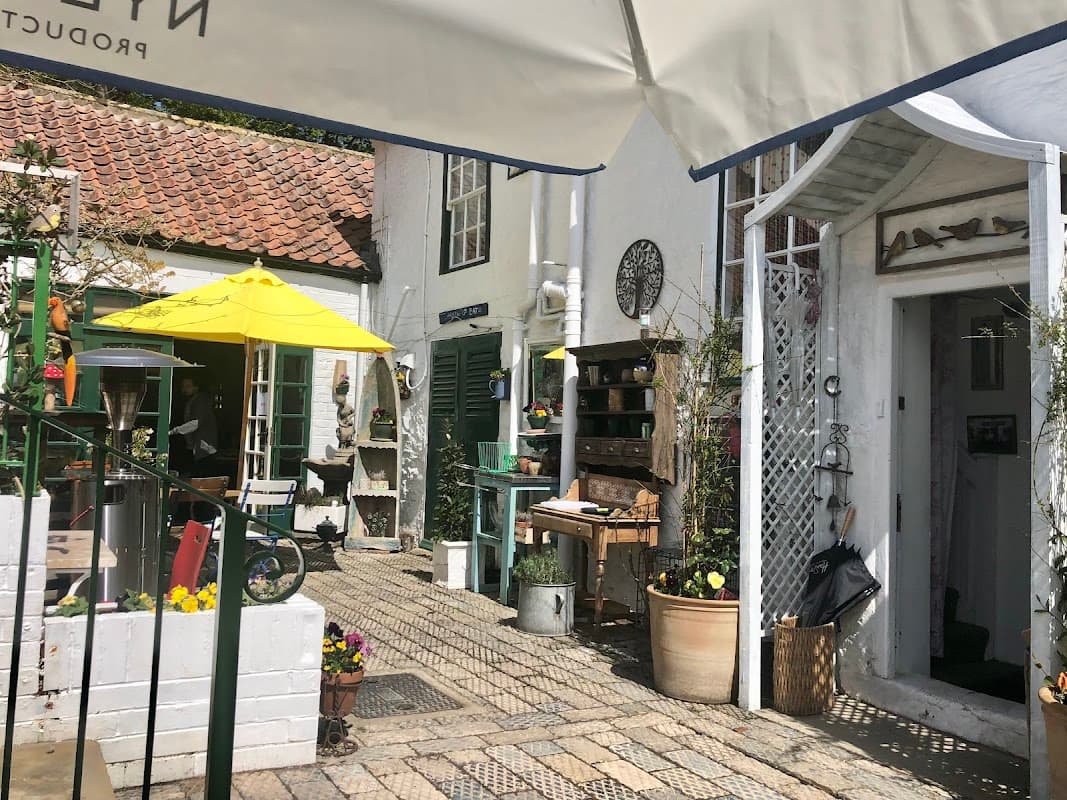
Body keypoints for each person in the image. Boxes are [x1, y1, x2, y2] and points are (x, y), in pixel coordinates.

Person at [170, 376, 219, 478]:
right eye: (183, 387)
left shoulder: (201, 401)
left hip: (203, 447)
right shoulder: (192, 400)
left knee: (201, 475)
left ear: (196, 387)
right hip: (198, 446)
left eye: (188, 386)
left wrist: (174, 431)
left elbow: (195, 423)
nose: (184, 389)